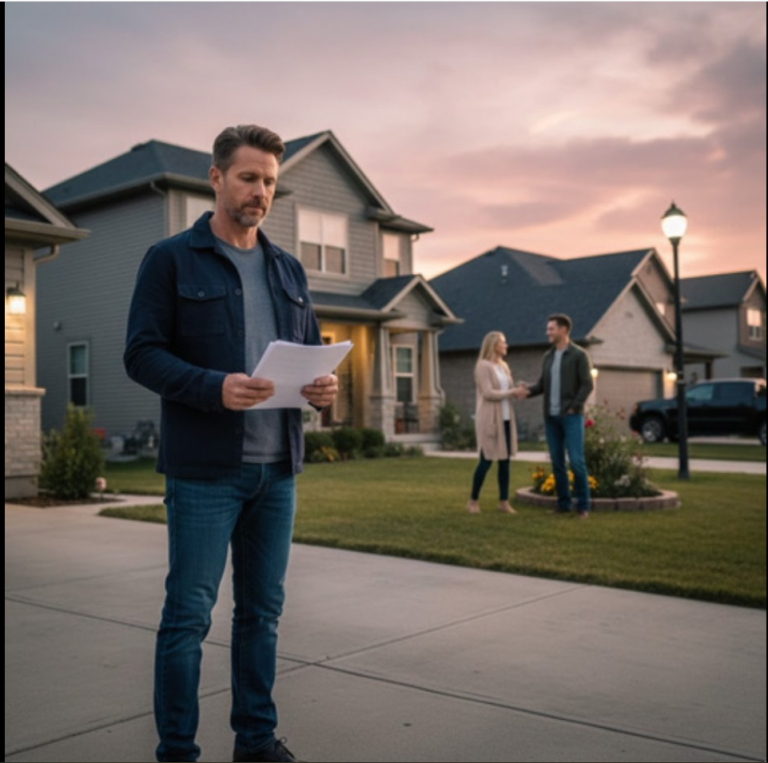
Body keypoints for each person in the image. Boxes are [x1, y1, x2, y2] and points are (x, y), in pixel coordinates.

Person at [124, 124, 338, 763]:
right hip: (204, 475)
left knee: (262, 615)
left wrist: (321, 390)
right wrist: (213, 387)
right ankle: (177, 753)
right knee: (188, 619)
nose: (260, 192)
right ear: (215, 179)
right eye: (248, 177)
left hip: (278, 471)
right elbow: (141, 354)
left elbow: (309, 355)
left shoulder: (287, 269)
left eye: (270, 181)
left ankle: (255, 741)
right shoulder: (170, 259)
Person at [519, 314, 594, 518]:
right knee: (557, 463)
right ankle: (563, 505)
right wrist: (527, 391)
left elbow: (587, 384)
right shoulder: (548, 356)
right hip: (551, 418)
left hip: (571, 417)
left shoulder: (579, 355)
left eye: (551, 329)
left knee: (577, 462)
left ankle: (583, 506)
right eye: (548, 329)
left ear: (563, 330)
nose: (547, 332)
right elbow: (542, 385)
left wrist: (573, 407)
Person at [467, 331, 526, 514]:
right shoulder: (483, 366)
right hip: (489, 419)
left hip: (506, 418)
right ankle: (473, 501)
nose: (506, 345)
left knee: (505, 462)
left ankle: (503, 501)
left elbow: (507, 390)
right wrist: (511, 393)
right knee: (486, 460)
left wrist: (520, 390)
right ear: (493, 345)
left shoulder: (504, 366)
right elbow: (488, 393)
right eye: (503, 342)